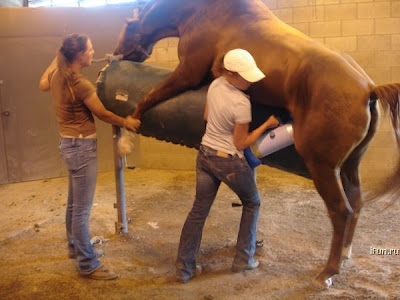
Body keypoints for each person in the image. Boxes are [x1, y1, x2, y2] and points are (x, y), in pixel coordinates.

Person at [39, 33, 140, 280]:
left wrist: (58, 55)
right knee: (82, 210)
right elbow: (102, 113)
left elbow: (42, 83)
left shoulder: (56, 75)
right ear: (80, 55)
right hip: (83, 148)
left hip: (68, 144)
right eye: (90, 49)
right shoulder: (80, 84)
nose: (94, 53)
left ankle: (75, 247)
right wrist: (125, 121)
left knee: (74, 203)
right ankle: (88, 264)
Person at [175, 48, 280, 283]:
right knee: (252, 202)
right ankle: (243, 260)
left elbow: (206, 116)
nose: (249, 81)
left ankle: (184, 269)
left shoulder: (216, 85)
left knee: (198, 210)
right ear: (231, 73)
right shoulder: (241, 102)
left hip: (205, 154)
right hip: (228, 161)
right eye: (245, 77)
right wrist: (267, 125)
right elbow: (241, 142)